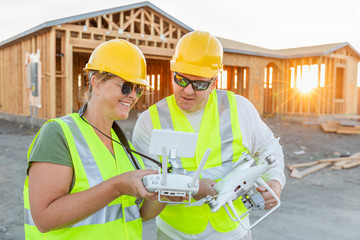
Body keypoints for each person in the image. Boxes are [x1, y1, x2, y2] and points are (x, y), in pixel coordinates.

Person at [132, 30, 286, 240]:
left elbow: (268, 148)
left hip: (234, 233)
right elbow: (143, 183)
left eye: (199, 84)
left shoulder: (239, 108)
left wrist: (275, 181)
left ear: (214, 83)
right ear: (172, 72)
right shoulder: (150, 121)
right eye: (181, 79)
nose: (188, 90)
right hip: (175, 234)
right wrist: (193, 188)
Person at [23, 39, 168, 239]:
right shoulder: (59, 134)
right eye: (126, 87)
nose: (133, 96)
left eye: (138, 89)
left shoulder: (122, 144)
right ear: (96, 83)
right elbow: (44, 219)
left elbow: (137, 214)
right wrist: (117, 186)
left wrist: (164, 193)